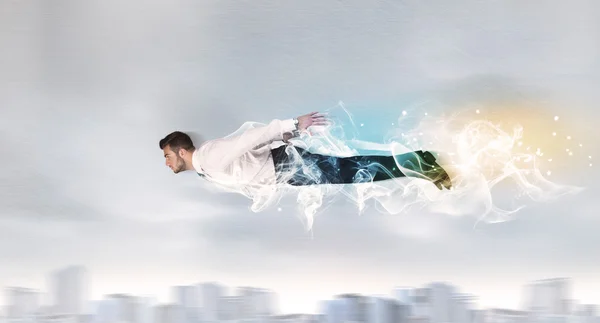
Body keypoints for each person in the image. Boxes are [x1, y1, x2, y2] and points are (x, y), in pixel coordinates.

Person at [159, 111, 452, 192]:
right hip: (285, 171)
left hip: (289, 167)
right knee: (355, 170)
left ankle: (422, 166)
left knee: (356, 172)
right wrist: (289, 133)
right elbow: (247, 156)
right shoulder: (205, 168)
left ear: (181, 150)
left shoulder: (208, 157)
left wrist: (292, 124)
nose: (167, 163)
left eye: (168, 156)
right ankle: (420, 161)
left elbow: (249, 139)